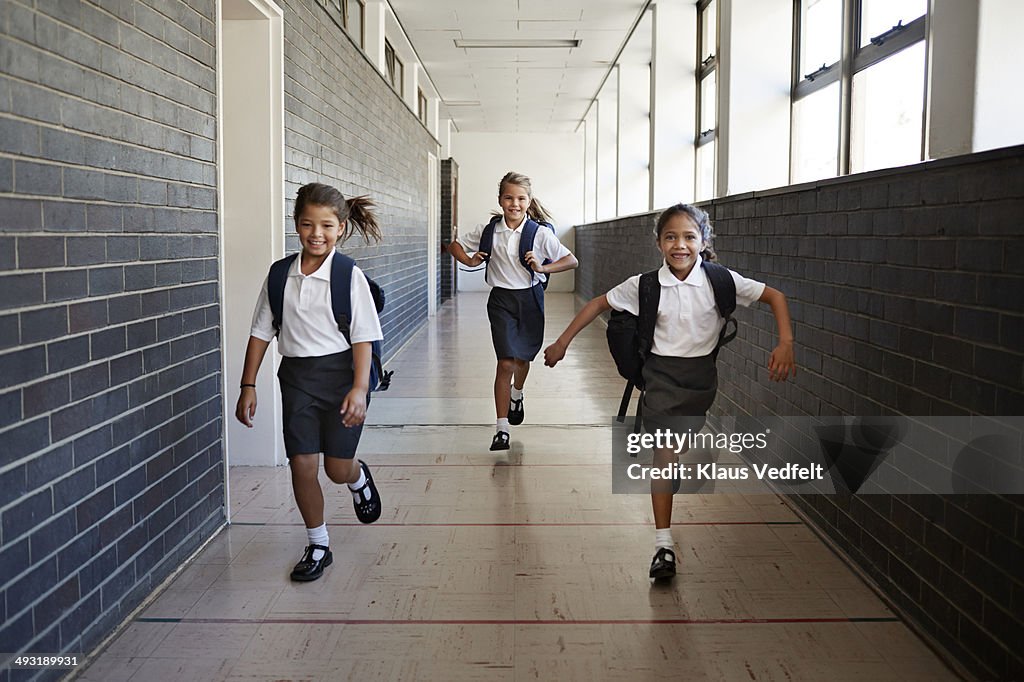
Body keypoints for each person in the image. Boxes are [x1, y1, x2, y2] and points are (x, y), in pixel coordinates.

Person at [543, 203, 795, 579]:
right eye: (671, 237)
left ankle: (669, 468)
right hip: (660, 375)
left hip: (700, 379)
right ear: (659, 243)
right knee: (664, 453)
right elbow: (598, 304)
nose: (680, 245)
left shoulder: (720, 280)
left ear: (703, 240)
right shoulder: (645, 285)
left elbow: (774, 296)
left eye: (690, 237)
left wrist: (786, 342)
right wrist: (562, 342)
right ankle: (663, 546)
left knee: (677, 447)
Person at [235, 182, 385, 582]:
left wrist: (358, 388)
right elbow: (260, 332)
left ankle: (357, 476)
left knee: (336, 469)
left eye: (327, 226)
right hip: (298, 379)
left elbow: (363, 337)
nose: (316, 234)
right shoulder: (280, 275)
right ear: (296, 224)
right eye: (307, 224)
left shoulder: (348, 275)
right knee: (302, 464)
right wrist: (247, 385)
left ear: (341, 227)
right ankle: (318, 543)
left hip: (341, 377)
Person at [448, 172, 579, 451]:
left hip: (530, 300)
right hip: (501, 302)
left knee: (522, 360)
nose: (514, 203)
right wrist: (470, 262)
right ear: (500, 199)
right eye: (509, 197)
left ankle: (517, 393)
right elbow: (455, 246)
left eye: (521, 198)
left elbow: (571, 260)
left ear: (529, 201)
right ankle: (501, 429)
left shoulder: (539, 234)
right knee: (506, 362)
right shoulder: (489, 231)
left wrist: (543, 268)